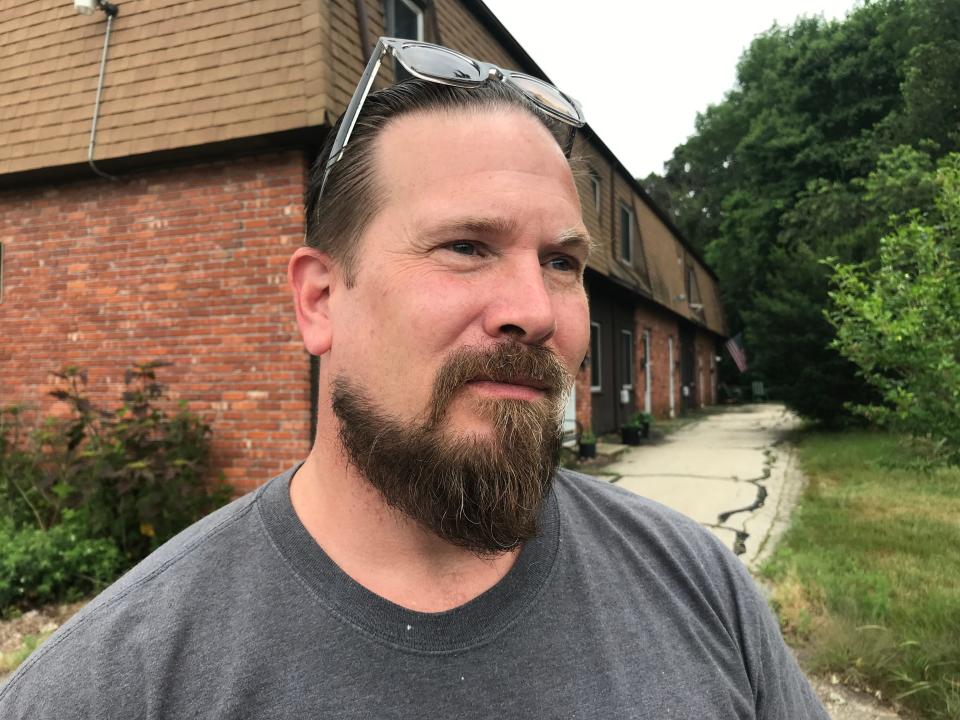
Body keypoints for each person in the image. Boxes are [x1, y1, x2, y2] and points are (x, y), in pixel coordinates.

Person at [0, 38, 828, 718]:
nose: (535, 309)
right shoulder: (120, 683)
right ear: (320, 301)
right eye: (466, 246)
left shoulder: (697, 584)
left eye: (562, 261)